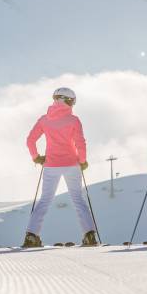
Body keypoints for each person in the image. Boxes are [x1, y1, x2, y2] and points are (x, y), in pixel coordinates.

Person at [23, 87, 98, 248]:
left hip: (51, 165)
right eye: (72, 101)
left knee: (44, 200)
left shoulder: (44, 120)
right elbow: (80, 143)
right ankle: (90, 236)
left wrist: (36, 157)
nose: (73, 104)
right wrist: (83, 160)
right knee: (78, 200)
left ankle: (31, 236)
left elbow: (30, 140)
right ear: (67, 100)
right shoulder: (73, 120)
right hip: (72, 164)